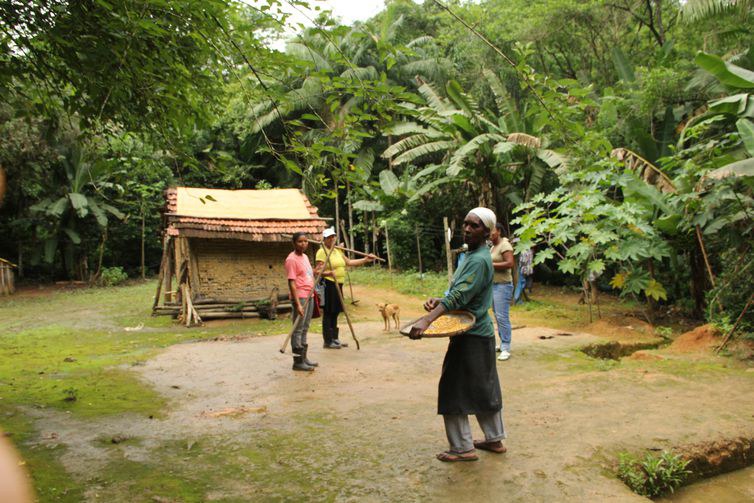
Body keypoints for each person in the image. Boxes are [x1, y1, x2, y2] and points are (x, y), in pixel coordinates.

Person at [409, 208, 507, 462]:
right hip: (478, 333)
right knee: (484, 387)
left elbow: (460, 296)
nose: (467, 229)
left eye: (474, 226)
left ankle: (462, 448)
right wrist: (440, 300)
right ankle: (494, 438)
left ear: (486, 232)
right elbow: (462, 293)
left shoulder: (477, 259)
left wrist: (427, 320)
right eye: (465, 224)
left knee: (452, 389)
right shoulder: (474, 254)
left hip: (471, 334)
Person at [315, 227, 376, 349]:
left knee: (336, 311)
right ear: (325, 239)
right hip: (328, 284)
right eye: (329, 237)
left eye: (333, 237)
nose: (332, 239)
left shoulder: (337, 251)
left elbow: (349, 262)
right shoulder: (322, 251)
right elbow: (318, 271)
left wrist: (365, 259)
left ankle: (335, 338)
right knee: (328, 312)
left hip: (339, 284)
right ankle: (327, 341)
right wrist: (328, 273)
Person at [285, 232, 319, 371]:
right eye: (300, 241)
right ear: (294, 243)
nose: (303, 244)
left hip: (309, 295)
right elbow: (291, 283)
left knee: (305, 327)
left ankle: (304, 358)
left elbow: (309, 274)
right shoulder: (291, 260)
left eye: (305, 241)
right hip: (301, 297)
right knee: (298, 329)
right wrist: (298, 303)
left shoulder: (305, 257)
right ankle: (297, 362)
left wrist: (318, 270)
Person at [490, 223, 515, 361]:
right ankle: (502, 343)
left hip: (503, 286)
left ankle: (506, 347)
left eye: (492, 230)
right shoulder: (493, 246)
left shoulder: (504, 245)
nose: (490, 233)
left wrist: (491, 264)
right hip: (494, 286)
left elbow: (510, 263)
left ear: (498, 231)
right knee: (497, 317)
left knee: (502, 317)